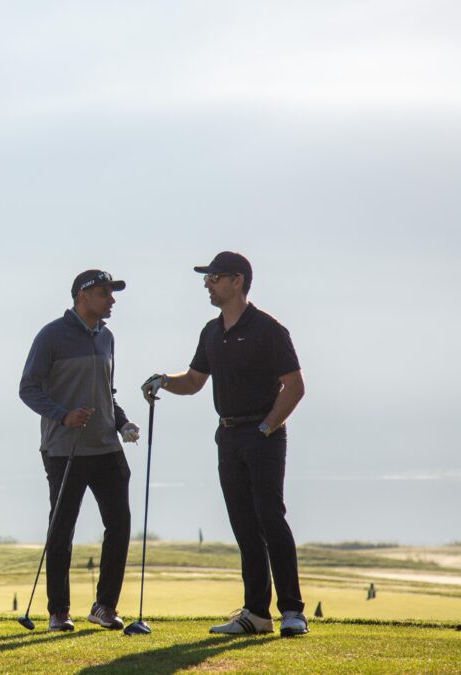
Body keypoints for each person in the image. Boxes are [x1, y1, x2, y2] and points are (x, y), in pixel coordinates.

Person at [142, 251, 309, 637]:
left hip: (263, 436)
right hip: (228, 436)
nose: (207, 284)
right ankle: (256, 613)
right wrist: (164, 380)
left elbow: (295, 386)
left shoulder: (268, 329)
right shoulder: (211, 331)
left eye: (214, 277)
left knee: (270, 518)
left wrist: (267, 427)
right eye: (207, 278)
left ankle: (292, 611)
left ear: (237, 281)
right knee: (244, 526)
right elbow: (195, 381)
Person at [19, 270, 141, 632]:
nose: (112, 300)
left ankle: (104, 606)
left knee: (119, 526)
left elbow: (107, 392)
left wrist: (122, 423)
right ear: (82, 296)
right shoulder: (51, 336)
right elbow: (28, 388)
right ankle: (58, 611)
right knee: (62, 530)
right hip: (64, 448)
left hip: (106, 446)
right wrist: (63, 416)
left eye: (112, 293)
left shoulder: (107, 338)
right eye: (105, 293)